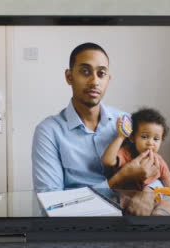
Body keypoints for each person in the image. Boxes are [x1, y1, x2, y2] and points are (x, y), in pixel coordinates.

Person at [31, 43, 160, 215]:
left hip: (127, 220)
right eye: (85, 71)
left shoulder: (125, 122)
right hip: (78, 225)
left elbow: (153, 166)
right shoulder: (48, 132)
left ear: (108, 79)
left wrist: (149, 191)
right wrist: (118, 180)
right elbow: (50, 203)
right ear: (69, 77)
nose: (94, 81)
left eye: (101, 73)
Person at [101, 108, 170, 189]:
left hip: (148, 198)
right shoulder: (126, 153)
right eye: (144, 137)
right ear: (132, 138)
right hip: (122, 196)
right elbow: (107, 161)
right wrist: (120, 137)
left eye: (156, 139)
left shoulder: (159, 161)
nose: (150, 143)